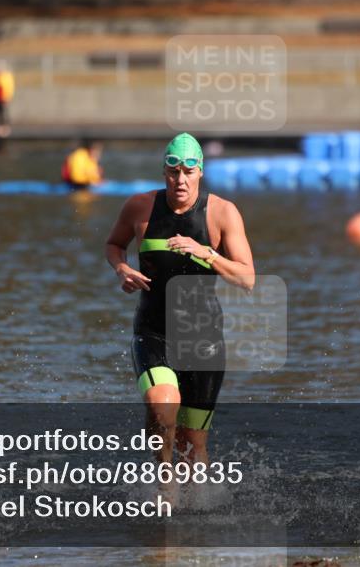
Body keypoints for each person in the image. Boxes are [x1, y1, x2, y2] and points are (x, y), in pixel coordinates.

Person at [105, 133, 254, 471]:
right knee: (163, 405)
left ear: (201, 172)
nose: (181, 180)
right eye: (174, 172)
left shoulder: (223, 213)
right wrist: (122, 268)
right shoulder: (140, 207)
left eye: (189, 172)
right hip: (153, 332)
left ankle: (195, 512)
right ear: (164, 173)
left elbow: (247, 278)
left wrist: (205, 252)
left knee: (194, 445)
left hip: (205, 342)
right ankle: (162, 480)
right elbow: (114, 244)